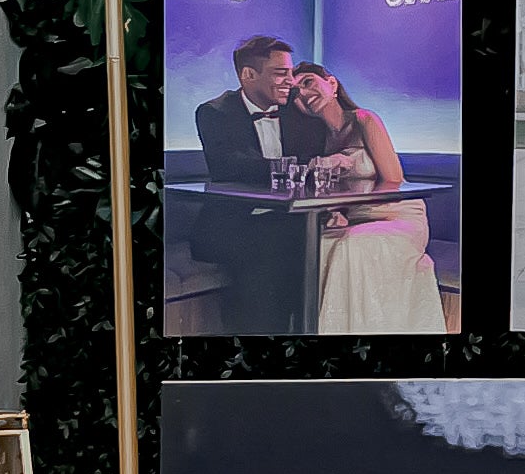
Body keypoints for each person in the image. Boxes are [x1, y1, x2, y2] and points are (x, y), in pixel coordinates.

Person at [289, 64, 459, 336]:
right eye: (295, 92)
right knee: (314, 245)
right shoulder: (319, 141)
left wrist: (345, 184)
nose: (304, 93)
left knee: (349, 245)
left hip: (399, 216)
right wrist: (336, 210)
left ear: (331, 84)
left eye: (308, 82)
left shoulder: (364, 120)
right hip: (356, 220)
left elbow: (394, 180)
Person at [189, 34, 331, 333]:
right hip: (231, 227)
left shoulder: (299, 111)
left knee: (330, 252)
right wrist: (291, 168)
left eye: (291, 73)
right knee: (271, 260)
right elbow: (230, 166)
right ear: (248, 75)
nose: (291, 81)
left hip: (290, 224)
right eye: (281, 73)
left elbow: (316, 157)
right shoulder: (215, 112)